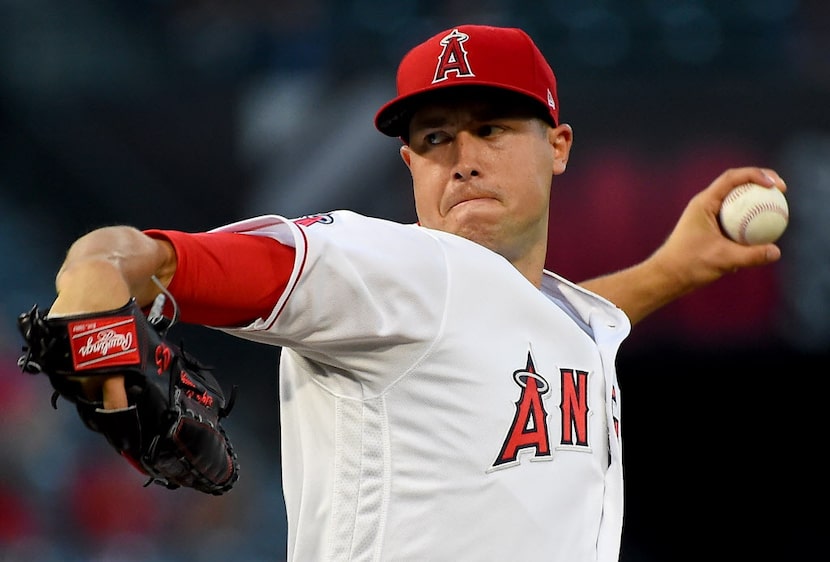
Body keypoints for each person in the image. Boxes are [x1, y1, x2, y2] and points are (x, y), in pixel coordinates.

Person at [45, 24, 785, 561]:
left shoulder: (554, 318)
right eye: (434, 140)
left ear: (558, 145)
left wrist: (674, 270)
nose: (461, 160)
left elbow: (541, 327)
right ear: (408, 163)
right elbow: (153, 259)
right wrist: (93, 271)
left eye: (490, 128)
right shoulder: (388, 268)